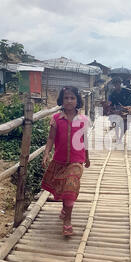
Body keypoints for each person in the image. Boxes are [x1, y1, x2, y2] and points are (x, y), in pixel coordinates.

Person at [41, 86, 90, 237]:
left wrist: (87, 157)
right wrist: (46, 153)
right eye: (66, 98)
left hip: (77, 161)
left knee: (70, 185)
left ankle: (67, 221)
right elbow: (50, 138)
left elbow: (84, 140)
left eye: (72, 98)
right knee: (64, 189)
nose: (69, 101)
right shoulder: (56, 119)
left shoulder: (83, 120)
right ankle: (65, 209)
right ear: (62, 100)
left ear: (77, 101)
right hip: (60, 160)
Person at [108, 78, 131, 142]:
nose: (116, 86)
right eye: (115, 85)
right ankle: (117, 137)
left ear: (120, 84)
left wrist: (126, 107)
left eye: (117, 84)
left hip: (126, 109)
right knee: (116, 124)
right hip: (117, 109)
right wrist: (113, 109)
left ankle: (120, 138)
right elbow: (111, 103)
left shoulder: (127, 91)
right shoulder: (113, 93)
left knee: (125, 126)